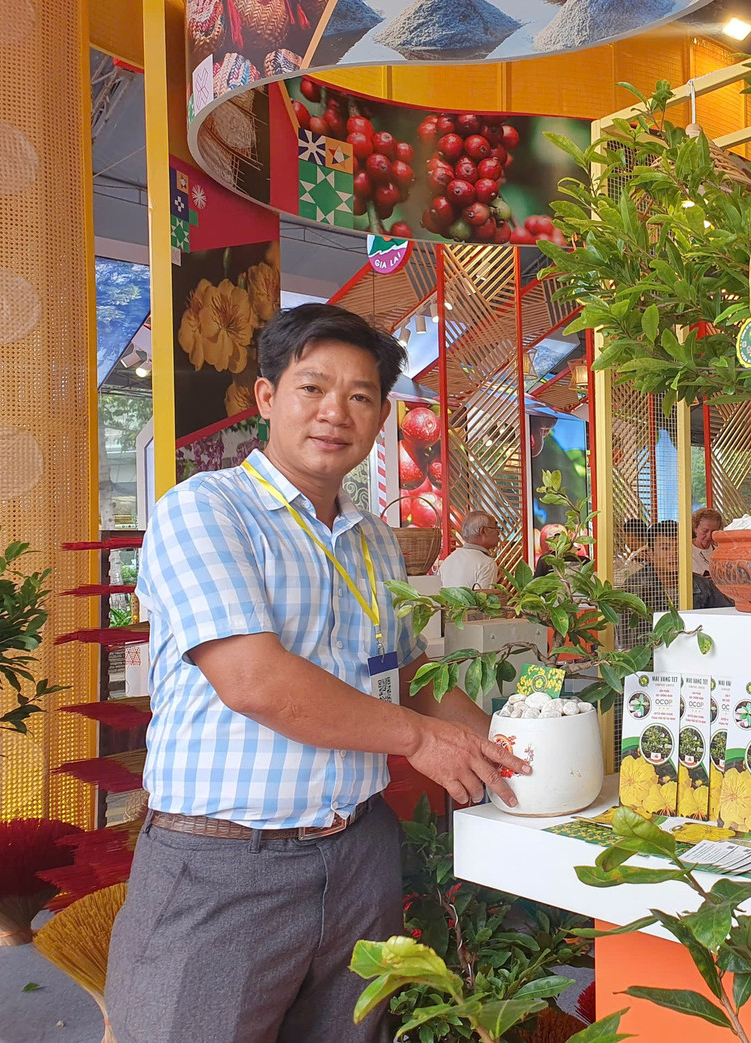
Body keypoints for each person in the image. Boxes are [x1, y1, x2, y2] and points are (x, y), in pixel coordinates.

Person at [104, 304, 529, 1043]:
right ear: (267, 398)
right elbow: (255, 680)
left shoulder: (374, 540)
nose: (336, 412)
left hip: (359, 854)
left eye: (360, 396)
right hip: (226, 864)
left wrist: (505, 747)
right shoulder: (205, 511)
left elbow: (410, 668)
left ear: (379, 415)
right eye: (313, 388)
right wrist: (421, 741)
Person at [620, 520, 733, 647]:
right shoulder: (635, 586)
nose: (673, 554)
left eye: (679, 547)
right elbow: (626, 635)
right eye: (665, 548)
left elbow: (726, 620)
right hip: (652, 656)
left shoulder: (703, 585)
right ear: (650, 554)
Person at [439, 511, 501, 590]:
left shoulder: (448, 560)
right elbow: (483, 600)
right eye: (496, 528)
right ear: (483, 531)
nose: (498, 533)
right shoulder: (486, 564)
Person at [690, 507, 723, 575]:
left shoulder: (719, 552)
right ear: (695, 528)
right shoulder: (685, 551)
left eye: (714, 531)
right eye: (705, 531)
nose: (709, 536)